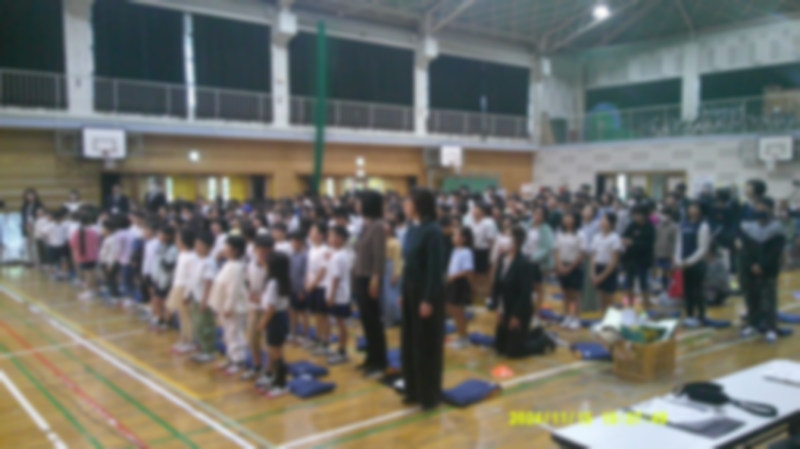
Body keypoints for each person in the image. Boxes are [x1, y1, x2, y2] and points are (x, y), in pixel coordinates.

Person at [400, 188, 446, 410]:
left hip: (426, 292)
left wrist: (428, 299)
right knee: (409, 341)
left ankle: (429, 395)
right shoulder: (412, 228)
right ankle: (413, 389)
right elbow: (407, 264)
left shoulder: (433, 231)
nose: (405, 205)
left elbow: (435, 270)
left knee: (426, 344)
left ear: (418, 205)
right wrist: (402, 292)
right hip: (410, 290)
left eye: (408, 202)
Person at [739, 197, 785, 343]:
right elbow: (745, 249)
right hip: (750, 269)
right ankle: (753, 324)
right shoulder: (748, 226)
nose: (759, 209)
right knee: (751, 298)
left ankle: (772, 328)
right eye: (757, 206)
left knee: (769, 299)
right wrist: (752, 264)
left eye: (762, 206)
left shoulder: (777, 228)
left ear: (770, 209)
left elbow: (776, 251)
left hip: (769, 269)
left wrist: (762, 265)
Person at [353, 190, 388, 379]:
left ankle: (380, 361)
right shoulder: (365, 225)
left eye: (360, 202)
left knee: (374, 321)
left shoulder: (378, 226)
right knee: (366, 320)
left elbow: (379, 256)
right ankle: (370, 357)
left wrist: (376, 280)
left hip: (370, 278)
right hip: (360, 276)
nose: (357, 205)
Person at [209, 235, 249, 375]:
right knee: (228, 333)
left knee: (234, 333)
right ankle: (231, 358)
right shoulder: (229, 263)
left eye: (227, 247)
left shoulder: (237, 267)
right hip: (224, 305)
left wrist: (228, 307)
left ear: (236, 250)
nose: (224, 249)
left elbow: (233, 290)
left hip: (233, 307)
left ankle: (239, 360)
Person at [257, 252, 292, 397]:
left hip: (275, 319)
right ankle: (277, 379)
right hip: (281, 317)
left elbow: (271, 307)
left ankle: (281, 384)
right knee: (276, 351)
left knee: (276, 354)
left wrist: (263, 322)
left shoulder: (273, 283)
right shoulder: (282, 280)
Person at [674, 201, 711, 328]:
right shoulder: (682, 224)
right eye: (691, 207)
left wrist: (689, 261)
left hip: (698, 264)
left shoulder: (703, 226)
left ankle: (701, 317)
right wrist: (678, 260)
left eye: (695, 207)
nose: (692, 209)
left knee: (698, 291)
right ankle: (689, 316)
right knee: (687, 292)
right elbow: (679, 244)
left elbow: (703, 249)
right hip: (684, 264)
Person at [242, 235, 272, 381]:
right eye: (260, 251)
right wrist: (249, 293)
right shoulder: (251, 264)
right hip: (253, 307)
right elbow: (248, 282)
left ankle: (270, 370)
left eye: (267, 251)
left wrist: (262, 296)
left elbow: (275, 287)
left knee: (269, 341)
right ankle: (257, 365)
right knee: (252, 338)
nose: (263, 254)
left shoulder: (273, 266)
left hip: (268, 308)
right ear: (254, 250)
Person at [325, 225, 354, 365]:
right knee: (339, 323)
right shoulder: (340, 254)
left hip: (339, 296)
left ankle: (342, 352)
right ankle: (341, 350)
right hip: (341, 295)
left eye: (331, 236)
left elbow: (336, 278)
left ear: (340, 238)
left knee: (340, 324)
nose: (329, 239)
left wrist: (331, 295)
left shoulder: (338, 256)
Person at [190, 232, 218, 363]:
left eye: (200, 245)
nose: (197, 248)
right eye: (196, 245)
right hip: (197, 297)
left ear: (209, 247)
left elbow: (209, 283)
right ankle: (203, 348)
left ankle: (209, 351)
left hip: (204, 299)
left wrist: (204, 301)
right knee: (198, 325)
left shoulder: (209, 262)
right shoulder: (198, 260)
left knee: (206, 326)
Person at [554, 211, 585, 330]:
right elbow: (556, 250)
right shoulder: (560, 233)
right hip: (562, 264)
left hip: (576, 266)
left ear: (575, 219)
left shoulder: (580, 234)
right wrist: (559, 265)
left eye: (569, 217)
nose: (566, 219)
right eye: (565, 217)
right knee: (565, 293)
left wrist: (570, 267)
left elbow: (582, 253)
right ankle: (566, 316)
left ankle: (576, 319)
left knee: (576, 294)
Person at [621, 205, 656, 309]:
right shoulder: (632, 225)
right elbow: (624, 236)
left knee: (643, 284)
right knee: (629, 284)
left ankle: (646, 307)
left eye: (638, 214)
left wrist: (633, 243)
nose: (636, 217)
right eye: (634, 214)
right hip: (630, 258)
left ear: (644, 215)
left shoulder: (650, 227)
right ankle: (630, 307)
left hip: (643, 260)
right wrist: (624, 240)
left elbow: (649, 244)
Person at [168, 229, 197, 354]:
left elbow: (192, 277)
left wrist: (187, 294)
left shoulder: (192, 257)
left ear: (184, 241)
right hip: (178, 286)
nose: (176, 241)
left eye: (178, 239)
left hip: (185, 289)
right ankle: (184, 339)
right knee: (181, 316)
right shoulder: (182, 254)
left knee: (187, 317)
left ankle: (190, 342)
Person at [445, 226, 474, 349]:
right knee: (454, 311)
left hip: (460, 284)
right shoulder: (455, 250)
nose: (453, 237)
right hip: (453, 283)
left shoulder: (466, 252)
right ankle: (460, 335)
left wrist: (454, 276)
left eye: (456, 235)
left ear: (463, 238)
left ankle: (464, 337)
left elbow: (468, 270)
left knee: (459, 312)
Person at [305, 222, 332, 353]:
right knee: (317, 315)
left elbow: (323, 270)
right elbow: (309, 269)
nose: (310, 234)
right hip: (312, 286)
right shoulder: (311, 248)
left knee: (324, 315)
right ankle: (318, 338)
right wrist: (307, 282)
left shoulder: (325, 250)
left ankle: (325, 341)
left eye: (313, 231)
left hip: (322, 286)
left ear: (321, 235)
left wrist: (313, 283)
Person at [524, 205, 554, 318]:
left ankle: (537, 312)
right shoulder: (527, 225)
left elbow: (547, 247)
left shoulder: (546, 229)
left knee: (538, 287)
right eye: (535, 213)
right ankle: (527, 309)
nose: (537, 216)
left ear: (544, 217)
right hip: (525, 258)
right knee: (525, 287)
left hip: (537, 261)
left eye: (540, 214)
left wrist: (534, 258)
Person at [590, 212, 622, 312]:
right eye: (601, 219)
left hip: (609, 270)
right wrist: (593, 272)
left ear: (611, 223)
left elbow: (614, 259)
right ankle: (603, 319)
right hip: (598, 267)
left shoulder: (614, 238)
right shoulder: (596, 237)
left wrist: (602, 276)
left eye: (604, 219)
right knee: (601, 299)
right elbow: (593, 256)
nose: (601, 221)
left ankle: (611, 320)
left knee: (609, 300)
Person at [151, 225, 178, 331]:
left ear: (168, 236)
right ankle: (160, 319)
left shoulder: (173, 249)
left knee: (164, 301)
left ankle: (167, 321)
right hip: (159, 277)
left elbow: (169, 266)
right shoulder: (161, 246)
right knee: (157, 300)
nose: (159, 235)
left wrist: (162, 260)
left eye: (161, 234)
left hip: (167, 279)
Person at [69, 212, 101, 301]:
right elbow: (97, 242)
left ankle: (89, 291)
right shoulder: (93, 231)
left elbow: (73, 244)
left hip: (83, 256)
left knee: (87, 274)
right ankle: (93, 290)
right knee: (93, 272)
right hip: (94, 255)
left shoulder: (77, 232)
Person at [470, 203, 497, 304]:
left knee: (482, 277)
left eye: (477, 210)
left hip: (483, 251)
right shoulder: (471, 222)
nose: (474, 212)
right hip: (472, 251)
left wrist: (490, 256)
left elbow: (491, 241)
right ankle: (473, 299)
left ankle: (485, 300)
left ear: (482, 212)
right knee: (472, 276)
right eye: (473, 210)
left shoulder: (487, 223)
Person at [288, 230, 309, 343]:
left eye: (294, 241)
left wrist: (303, 290)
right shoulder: (292, 253)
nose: (292, 243)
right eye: (291, 241)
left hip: (301, 288)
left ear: (301, 242)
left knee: (303, 312)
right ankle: (293, 331)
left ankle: (305, 334)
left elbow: (306, 274)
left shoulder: (305, 255)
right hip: (292, 287)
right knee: (292, 310)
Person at [383, 220, 403, 326]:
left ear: (391, 228)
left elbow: (397, 259)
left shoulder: (395, 242)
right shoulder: (382, 239)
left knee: (391, 296)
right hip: (383, 267)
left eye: (386, 225)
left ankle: (394, 318)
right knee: (384, 296)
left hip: (391, 268)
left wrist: (395, 275)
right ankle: (387, 317)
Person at [655, 207, 678, 295]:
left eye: (666, 214)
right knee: (662, 272)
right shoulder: (658, 225)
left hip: (669, 254)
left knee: (669, 273)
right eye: (662, 214)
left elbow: (676, 242)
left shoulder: (674, 226)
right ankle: (663, 289)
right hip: (659, 253)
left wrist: (673, 254)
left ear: (670, 215)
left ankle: (669, 290)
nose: (663, 216)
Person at [99, 218, 122, 303]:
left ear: (108, 230)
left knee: (112, 280)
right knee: (109, 279)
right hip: (105, 262)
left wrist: (111, 265)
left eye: (103, 228)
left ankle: (115, 296)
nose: (101, 230)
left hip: (110, 263)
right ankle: (112, 295)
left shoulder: (113, 239)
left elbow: (113, 253)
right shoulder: (107, 238)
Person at [21, 188, 43, 266]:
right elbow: (24, 216)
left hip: (35, 226)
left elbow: (40, 216)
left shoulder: (38, 204)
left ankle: (38, 262)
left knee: (36, 245)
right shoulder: (25, 205)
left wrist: (33, 223)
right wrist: (25, 224)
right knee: (28, 245)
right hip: (27, 227)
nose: (30, 197)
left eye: (31, 195)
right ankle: (31, 261)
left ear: (35, 196)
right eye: (28, 195)